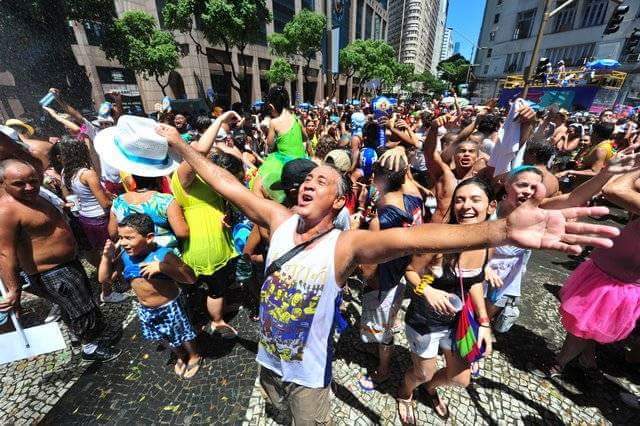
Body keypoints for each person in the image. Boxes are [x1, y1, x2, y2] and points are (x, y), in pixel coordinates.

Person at [156, 122, 618, 424]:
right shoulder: (278, 222)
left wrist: (499, 229)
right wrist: (180, 146)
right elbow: (228, 183)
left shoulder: (345, 244)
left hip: (307, 376)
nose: (309, 184)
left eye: (322, 182)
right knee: (275, 409)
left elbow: (415, 239)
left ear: (338, 202)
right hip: (268, 362)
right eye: (306, 181)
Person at [0, 159, 121, 362]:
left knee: (79, 303)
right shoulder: (6, 211)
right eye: (19, 184)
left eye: (33, 181)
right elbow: (5, 253)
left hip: (67, 262)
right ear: (3, 183)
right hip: (50, 271)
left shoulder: (36, 196)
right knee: (80, 308)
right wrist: (14, 290)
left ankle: (86, 336)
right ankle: (90, 347)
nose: (29, 187)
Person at [399, 178, 496, 423]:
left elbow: (473, 282)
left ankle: (429, 389)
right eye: (460, 200)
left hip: (456, 323)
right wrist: (427, 290)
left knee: (460, 378)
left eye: (475, 200)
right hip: (424, 321)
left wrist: (484, 322)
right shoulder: (439, 241)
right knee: (422, 372)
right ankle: (405, 392)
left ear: (491, 206)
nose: (466, 206)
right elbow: (410, 270)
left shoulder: (487, 245)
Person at [99, 214, 200, 378]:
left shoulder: (164, 255)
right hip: (146, 308)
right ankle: (181, 355)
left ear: (149, 237)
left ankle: (194, 355)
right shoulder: (125, 256)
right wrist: (106, 258)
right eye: (120, 238)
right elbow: (104, 279)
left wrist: (163, 268)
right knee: (162, 336)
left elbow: (190, 277)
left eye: (129, 238)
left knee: (183, 333)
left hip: (170, 306)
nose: (123, 242)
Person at [170, 116, 242, 338]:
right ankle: (217, 321)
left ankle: (216, 309)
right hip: (206, 245)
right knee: (215, 288)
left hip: (214, 240)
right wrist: (220, 120)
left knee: (217, 284)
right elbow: (199, 151)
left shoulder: (201, 178)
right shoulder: (183, 177)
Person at [358, 149, 423, 391]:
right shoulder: (414, 198)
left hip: (383, 283)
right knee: (386, 321)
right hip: (402, 273)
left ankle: (383, 371)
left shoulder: (380, 221)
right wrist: (400, 155)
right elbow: (408, 180)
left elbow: (367, 270)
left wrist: (357, 233)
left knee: (383, 329)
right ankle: (375, 347)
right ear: (406, 173)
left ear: (376, 179)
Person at [109, 174, 189, 254]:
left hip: (133, 257)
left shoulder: (118, 202)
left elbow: (113, 233)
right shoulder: (165, 200)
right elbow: (182, 233)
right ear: (158, 178)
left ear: (134, 178)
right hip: (164, 258)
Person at [257, 86, 307, 202]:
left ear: (271, 106)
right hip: (302, 162)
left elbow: (269, 145)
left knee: (259, 183)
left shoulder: (274, 122)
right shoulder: (296, 120)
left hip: (284, 165)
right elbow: (305, 138)